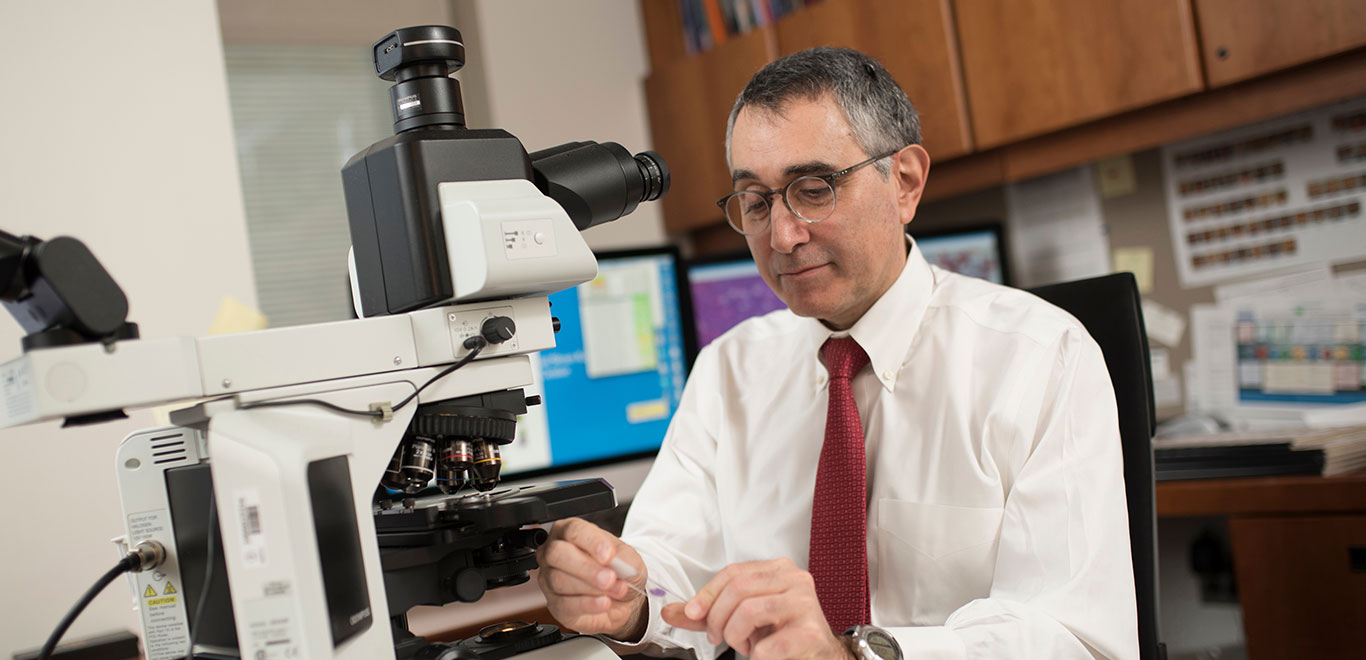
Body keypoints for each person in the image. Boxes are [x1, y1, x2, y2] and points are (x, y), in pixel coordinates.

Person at [536, 47, 1138, 660]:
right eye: (757, 201)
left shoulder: (1041, 358)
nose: (782, 236)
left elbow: (1073, 639)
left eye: (815, 190)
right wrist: (625, 592)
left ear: (904, 182)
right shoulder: (729, 370)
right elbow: (673, 573)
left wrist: (855, 655)